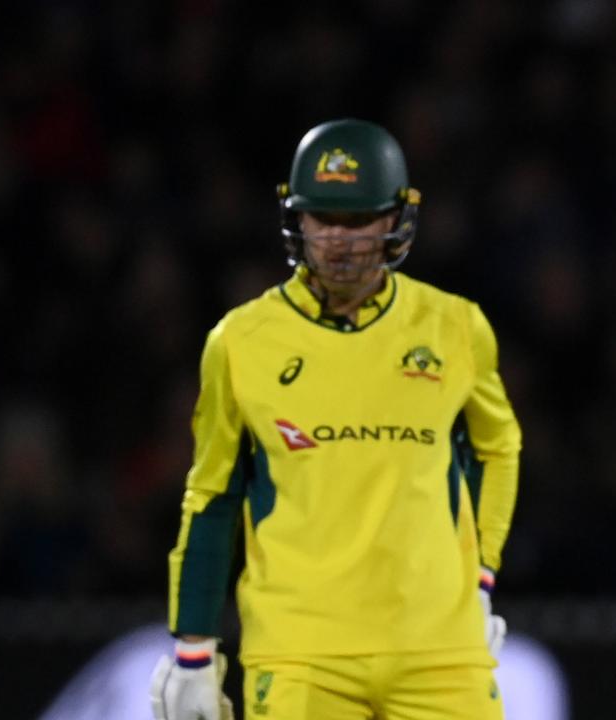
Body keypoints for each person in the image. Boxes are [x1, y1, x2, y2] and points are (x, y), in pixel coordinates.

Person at [149, 118, 521, 720]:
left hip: (439, 647)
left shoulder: (457, 328)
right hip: (301, 655)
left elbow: (497, 449)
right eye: (323, 219)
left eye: (358, 220)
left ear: (396, 217)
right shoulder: (241, 342)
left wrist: (481, 576)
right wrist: (193, 644)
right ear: (297, 219)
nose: (338, 240)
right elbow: (212, 497)